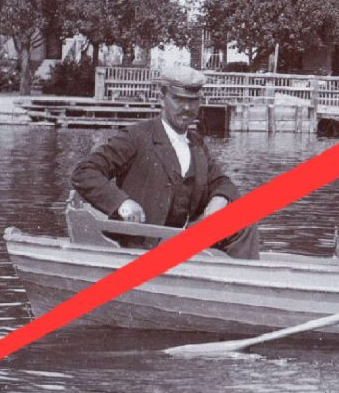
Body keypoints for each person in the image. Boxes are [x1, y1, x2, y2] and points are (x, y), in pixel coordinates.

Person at [71, 64, 262, 259]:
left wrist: (218, 201)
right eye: (178, 99)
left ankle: (241, 281)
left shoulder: (196, 144)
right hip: (144, 243)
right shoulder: (136, 137)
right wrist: (122, 203)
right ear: (161, 98)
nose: (187, 108)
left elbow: (222, 182)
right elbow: (84, 172)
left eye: (193, 100)